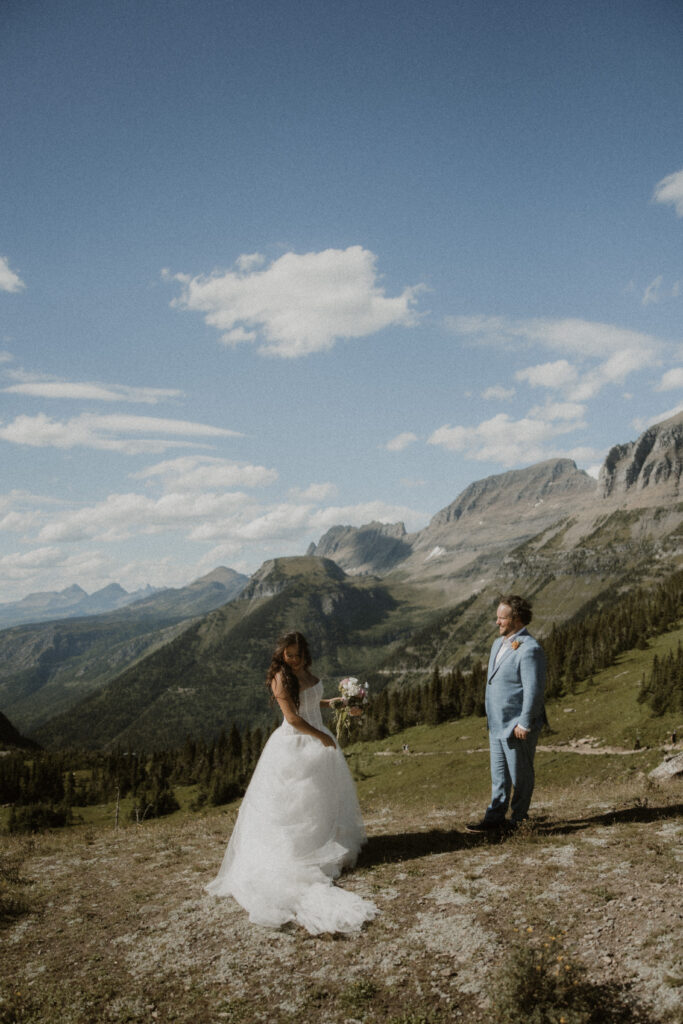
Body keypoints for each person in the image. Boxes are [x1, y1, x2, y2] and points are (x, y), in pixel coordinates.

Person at [205, 630, 378, 934]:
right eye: (289, 654)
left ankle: (324, 844)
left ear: (304, 653)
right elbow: (294, 717)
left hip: (316, 741)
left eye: (298, 654)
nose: (294, 659)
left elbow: (310, 701)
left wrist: (333, 703)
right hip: (296, 744)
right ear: (281, 654)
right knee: (298, 804)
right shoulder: (280, 678)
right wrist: (323, 735)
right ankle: (300, 854)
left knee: (321, 800)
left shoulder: (304, 673)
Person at [467, 595, 546, 832]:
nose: (497, 622)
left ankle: (519, 820)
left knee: (521, 775)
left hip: (515, 725)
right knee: (499, 776)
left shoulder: (530, 649)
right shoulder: (497, 644)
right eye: (497, 618)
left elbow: (534, 690)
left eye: (502, 618)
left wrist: (524, 723)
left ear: (517, 618)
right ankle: (494, 819)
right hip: (496, 723)